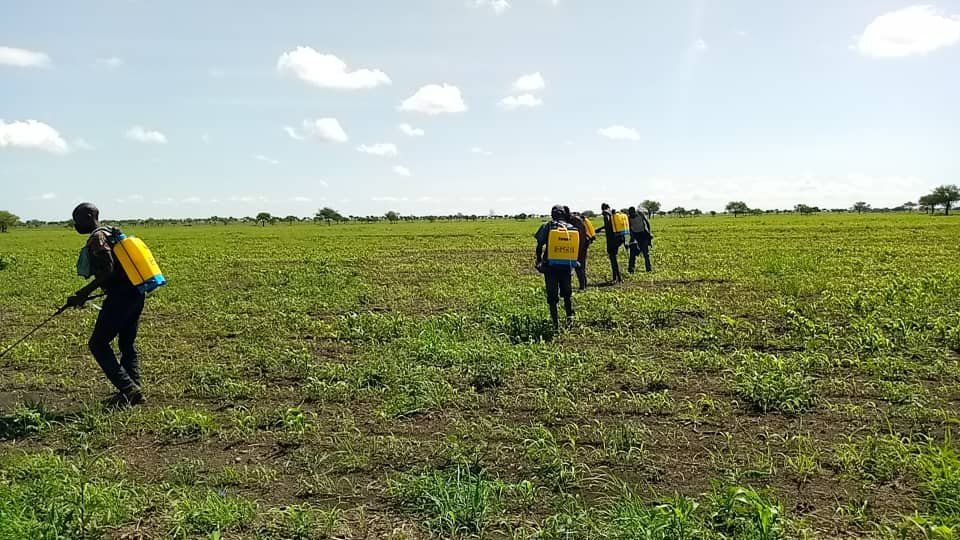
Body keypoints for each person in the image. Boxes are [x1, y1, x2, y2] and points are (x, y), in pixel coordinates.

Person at [67, 203, 146, 406]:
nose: (76, 224)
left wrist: (83, 293)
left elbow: (108, 270)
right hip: (136, 292)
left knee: (98, 344)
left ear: (89, 216)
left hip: (120, 297)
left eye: (77, 219)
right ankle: (133, 389)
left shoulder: (97, 237)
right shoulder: (112, 231)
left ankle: (128, 388)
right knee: (127, 344)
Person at [534, 205, 576, 328]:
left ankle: (555, 324)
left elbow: (539, 245)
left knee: (552, 297)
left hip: (550, 267)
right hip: (567, 266)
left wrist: (539, 260)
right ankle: (570, 319)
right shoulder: (571, 228)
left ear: (553, 214)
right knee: (567, 294)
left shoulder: (548, 226)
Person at [563, 207, 594, 290]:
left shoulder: (576, 220)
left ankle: (582, 285)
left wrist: (578, 251)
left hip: (582, 246)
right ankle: (583, 284)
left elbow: (582, 236)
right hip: (575, 246)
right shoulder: (568, 220)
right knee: (577, 266)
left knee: (580, 265)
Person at [594, 203, 625, 283]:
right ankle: (616, 277)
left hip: (611, 239)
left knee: (613, 258)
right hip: (618, 238)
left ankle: (617, 278)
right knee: (613, 257)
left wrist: (599, 229)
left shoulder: (605, 213)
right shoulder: (613, 213)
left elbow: (607, 223)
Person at [627, 206, 653, 273]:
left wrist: (649, 232)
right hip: (635, 235)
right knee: (632, 253)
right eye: (630, 214)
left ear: (634, 212)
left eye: (632, 213)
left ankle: (648, 269)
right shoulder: (629, 218)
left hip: (643, 234)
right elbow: (629, 227)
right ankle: (631, 269)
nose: (631, 215)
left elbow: (647, 222)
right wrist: (632, 237)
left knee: (645, 253)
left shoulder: (640, 214)